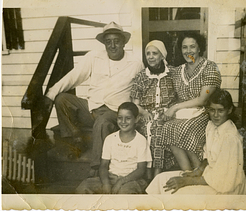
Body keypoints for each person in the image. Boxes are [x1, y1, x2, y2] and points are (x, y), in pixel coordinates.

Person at [44, 22, 144, 177]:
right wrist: (51, 94)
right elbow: (73, 76)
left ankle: (97, 167)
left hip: (114, 111)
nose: (112, 45)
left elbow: (143, 89)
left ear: (124, 42)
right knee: (62, 99)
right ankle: (76, 137)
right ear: (104, 43)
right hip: (91, 107)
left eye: (116, 41)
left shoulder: (135, 63)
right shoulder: (93, 57)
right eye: (108, 41)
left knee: (102, 122)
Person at [146, 89, 246, 195]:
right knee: (160, 179)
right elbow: (208, 157)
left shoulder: (230, 138)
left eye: (220, 110)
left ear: (229, 110)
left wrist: (187, 181)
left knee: (176, 192)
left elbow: (223, 180)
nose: (216, 115)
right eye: (212, 110)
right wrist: (197, 171)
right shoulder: (211, 126)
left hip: (225, 189)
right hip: (209, 177)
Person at [161, 32, 221, 172]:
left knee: (185, 130)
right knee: (167, 128)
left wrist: (175, 107)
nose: (188, 51)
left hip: (205, 113)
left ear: (199, 48)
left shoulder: (210, 68)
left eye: (192, 47)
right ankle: (187, 172)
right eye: (184, 47)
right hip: (184, 113)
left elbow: (202, 99)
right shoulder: (178, 71)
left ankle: (200, 171)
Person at [76, 102, 152, 194]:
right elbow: (103, 165)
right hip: (110, 177)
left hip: (131, 179)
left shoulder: (140, 140)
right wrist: (106, 183)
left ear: (136, 119)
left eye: (128, 118)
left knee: (124, 193)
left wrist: (121, 182)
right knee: (84, 187)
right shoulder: (110, 138)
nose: (123, 122)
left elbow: (141, 169)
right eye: (120, 118)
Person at [130, 40, 176, 178]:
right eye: (148, 53)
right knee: (148, 127)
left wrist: (171, 110)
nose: (150, 57)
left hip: (167, 113)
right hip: (145, 113)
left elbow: (181, 96)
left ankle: (157, 172)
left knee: (159, 128)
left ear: (162, 55)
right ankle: (146, 171)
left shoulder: (173, 73)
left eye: (154, 53)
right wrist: (143, 112)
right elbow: (135, 103)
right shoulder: (141, 76)